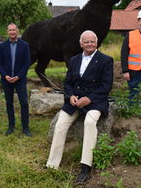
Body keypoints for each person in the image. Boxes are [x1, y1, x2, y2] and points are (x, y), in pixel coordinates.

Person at [46, 30, 113, 184]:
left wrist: (89, 98)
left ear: (96, 43)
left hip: (95, 101)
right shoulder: (74, 60)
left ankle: (85, 167)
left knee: (89, 122)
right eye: (86, 42)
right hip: (74, 102)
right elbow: (68, 82)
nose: (89, 44)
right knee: (60, 124)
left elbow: (106, 86)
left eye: (92, 41)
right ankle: (52, 164)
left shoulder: (105, 60)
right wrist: (70, 96)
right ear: (81, 44)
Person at [0, 23, 31, 136]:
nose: (12, 32)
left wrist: (19, 76)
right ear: (7, 32)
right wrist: (5, 75)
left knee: (24, 103)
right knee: (9, 103)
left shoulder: (25, 45)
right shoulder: (2, 46)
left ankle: (25, 128)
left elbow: (27, 63)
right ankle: (11, 126)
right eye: (10, 30)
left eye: (14, 30)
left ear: (17, 31)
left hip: (19, 80)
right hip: (7, 80)